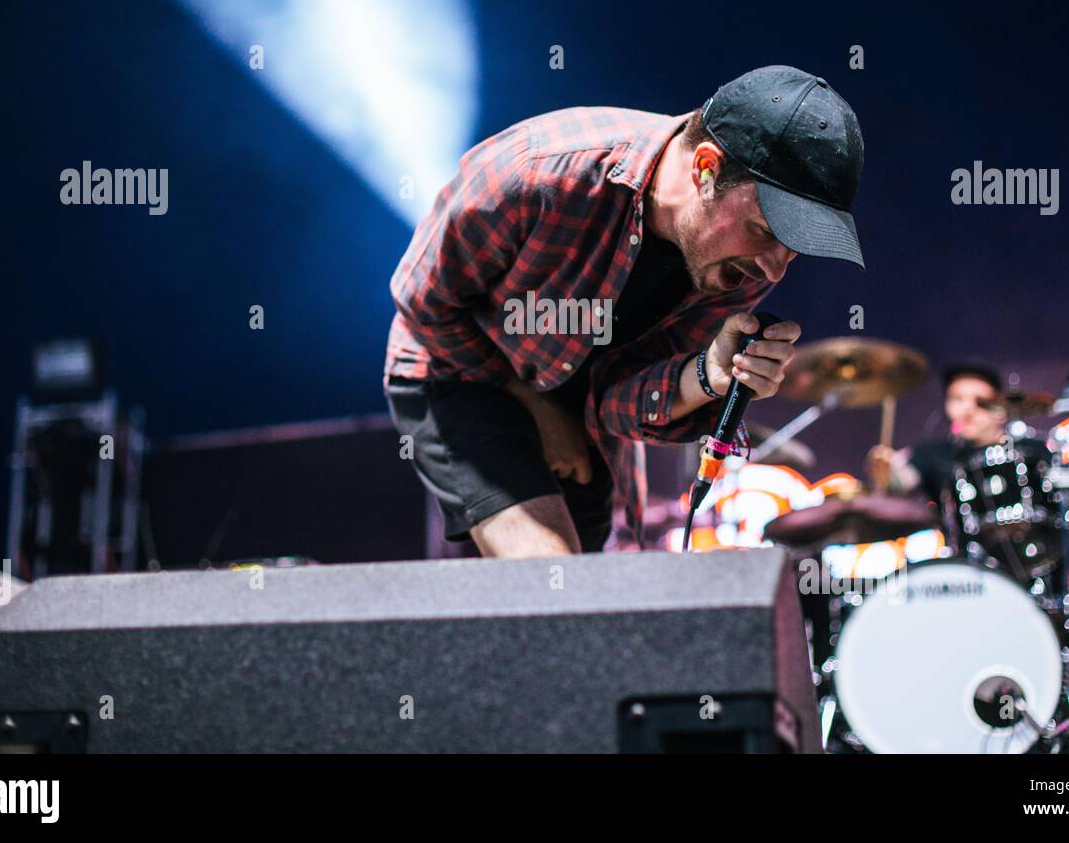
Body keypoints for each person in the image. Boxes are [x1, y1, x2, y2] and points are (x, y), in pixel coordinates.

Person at [385, 66, 866, 558]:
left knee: (585, 599)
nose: (774, 270)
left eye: (795, 247)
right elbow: (425, 301)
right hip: (458, 371)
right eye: (766, 231)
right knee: (552, 576)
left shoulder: (736, 266)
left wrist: (706, 375)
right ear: (706, 168)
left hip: (574, 398)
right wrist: (534, 404)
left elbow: (617, 398)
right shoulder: (537, 170)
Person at [865, 360, 1009, 502]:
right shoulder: (934, 454)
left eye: (980, 401)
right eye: (958, 399)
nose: (968, 409)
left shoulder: (1027, 451)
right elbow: (899, 483)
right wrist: (884, 473)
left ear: (1001, 409)